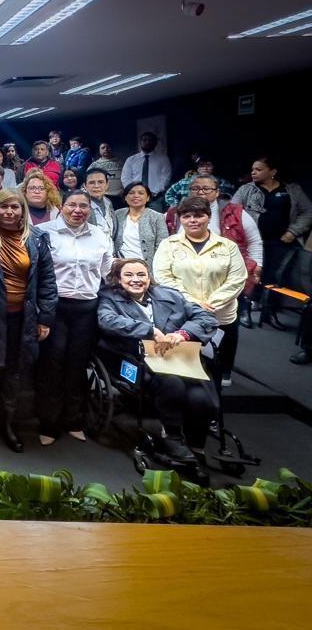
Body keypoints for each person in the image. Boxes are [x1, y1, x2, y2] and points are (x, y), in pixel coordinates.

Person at [97, 258, 219, 464]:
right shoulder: (108, 298)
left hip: (174, 357)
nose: (136, 280)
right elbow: (106, 320)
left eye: (141, 275)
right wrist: (150, 331)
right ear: (118, 279)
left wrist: (183, 334)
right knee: (172, 383)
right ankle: (172, 437)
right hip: (131, 360)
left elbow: (206, 319)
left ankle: (197, 446)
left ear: (148, 277)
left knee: (200, 396)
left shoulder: (170, 295)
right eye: (128, 275)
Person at [0, 189, 57, 453]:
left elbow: (47, 282)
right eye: (3, 207)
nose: (9, 212)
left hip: (23, 319)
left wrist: (44, 319)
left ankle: (8, 424)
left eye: (15, 207)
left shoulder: (37, 239)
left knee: (14, 373)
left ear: (23, 210)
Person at [35, 189, 115, 445]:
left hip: (86, 309)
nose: (77, 210)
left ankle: (74, 421)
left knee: (78, 366)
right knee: (52, 366)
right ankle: (48, 424)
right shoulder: (45, 232)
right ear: (62, 206)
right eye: (72, 205)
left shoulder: (100, 235)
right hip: (55, 307)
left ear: (90, 210)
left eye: (83, 206)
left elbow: (107, 271)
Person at [153, 196, 247, 388]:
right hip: (183, 315)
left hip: (221, 315)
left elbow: (237, 279)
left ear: (209, 217)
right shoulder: (169, 244)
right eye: (187, 216)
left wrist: (212, 303)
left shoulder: (227, 246)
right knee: (182, 372)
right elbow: (163, 278)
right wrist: (193, 302)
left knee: (217, 372)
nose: (193, 220)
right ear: (180, 219)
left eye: (198, 215)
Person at [171, 174, 262, 328]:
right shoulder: (175, 212)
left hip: (223, 276)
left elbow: (254, 241)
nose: (200, 192)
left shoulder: (235, 212)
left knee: (224, 326)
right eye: (195, 188)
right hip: (186, 278)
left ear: (217, 192)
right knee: (185, 328)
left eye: (206, 188)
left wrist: (257, 265)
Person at [232, 156, 312, 328]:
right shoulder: (246, 190)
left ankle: (268, 313)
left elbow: (307, 212)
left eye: (259, 169)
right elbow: (232, 212)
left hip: (281, 241)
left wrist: (293, 231)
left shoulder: (292, 190)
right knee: (250, 274)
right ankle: (244, 309)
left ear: (272, 172)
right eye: (252, 169)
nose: (253, 172)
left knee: (275, 277)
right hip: (252, 242)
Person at [114, 182, 169, 269]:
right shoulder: (118, 214)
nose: (136, 196)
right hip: (121, 265)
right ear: (125, 197)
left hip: (147, 266)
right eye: (131, 193)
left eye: (141, 193)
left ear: (147, 198)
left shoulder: (157, 217)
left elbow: (162, 245)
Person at [121, 132, 173, 210]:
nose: (147, 142)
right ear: (140, 142)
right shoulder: (131, 160)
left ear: (155, 143)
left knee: (155, 220)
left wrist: (152, 192)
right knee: (136, 220)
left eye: (150, 140)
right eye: (145, 140)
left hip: (155, 198)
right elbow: (125, 178)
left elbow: (166, 178)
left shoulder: (163, 159)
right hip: (135, 197)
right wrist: (134, 191)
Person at [164, 156, 234, 209]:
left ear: (213, 167)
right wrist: (177, 205)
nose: (205, 168)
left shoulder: (222, 182)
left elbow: (230, 197)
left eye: (208, 165)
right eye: (202, 165)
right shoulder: (185, 182)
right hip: (188, 212)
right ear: (197, 167)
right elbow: (169, 194)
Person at [84, 168, 118, 241]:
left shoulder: (108, 202)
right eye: (91, 182)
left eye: (101, 182)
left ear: (107, 185)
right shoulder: (80, 205)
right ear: (85, 186)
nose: (96, 186)